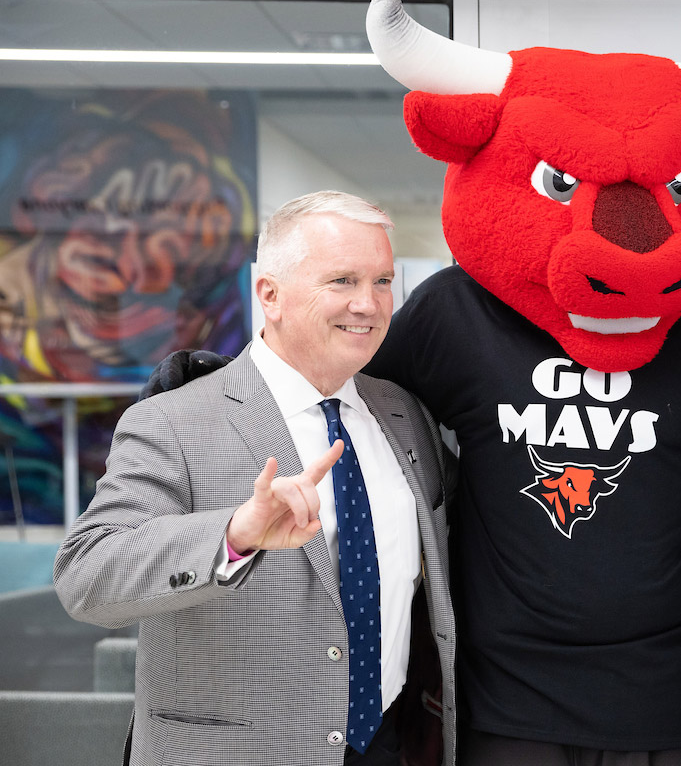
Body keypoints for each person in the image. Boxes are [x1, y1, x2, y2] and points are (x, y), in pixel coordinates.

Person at [53, 190, 456, 766]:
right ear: (270, 294)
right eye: (342, 281)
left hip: (383, 744)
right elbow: (87, 577)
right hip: (236, 751)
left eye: (383, 281)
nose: (368, 304)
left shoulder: (403, 414)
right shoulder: (174, 420)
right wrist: (234, 535)